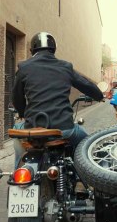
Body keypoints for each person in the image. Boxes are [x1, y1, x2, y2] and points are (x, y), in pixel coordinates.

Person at [12, 31, 103, 166]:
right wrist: (99, 95)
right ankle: (82, 175)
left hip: (33, 127)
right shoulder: (65, 67)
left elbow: (17, 97)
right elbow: (86, 85)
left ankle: (18, 170)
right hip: (64, 128)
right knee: (87, 143)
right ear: (54, 49)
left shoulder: (24, 67)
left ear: (32, 50)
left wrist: (22, 112)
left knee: (18, 135)